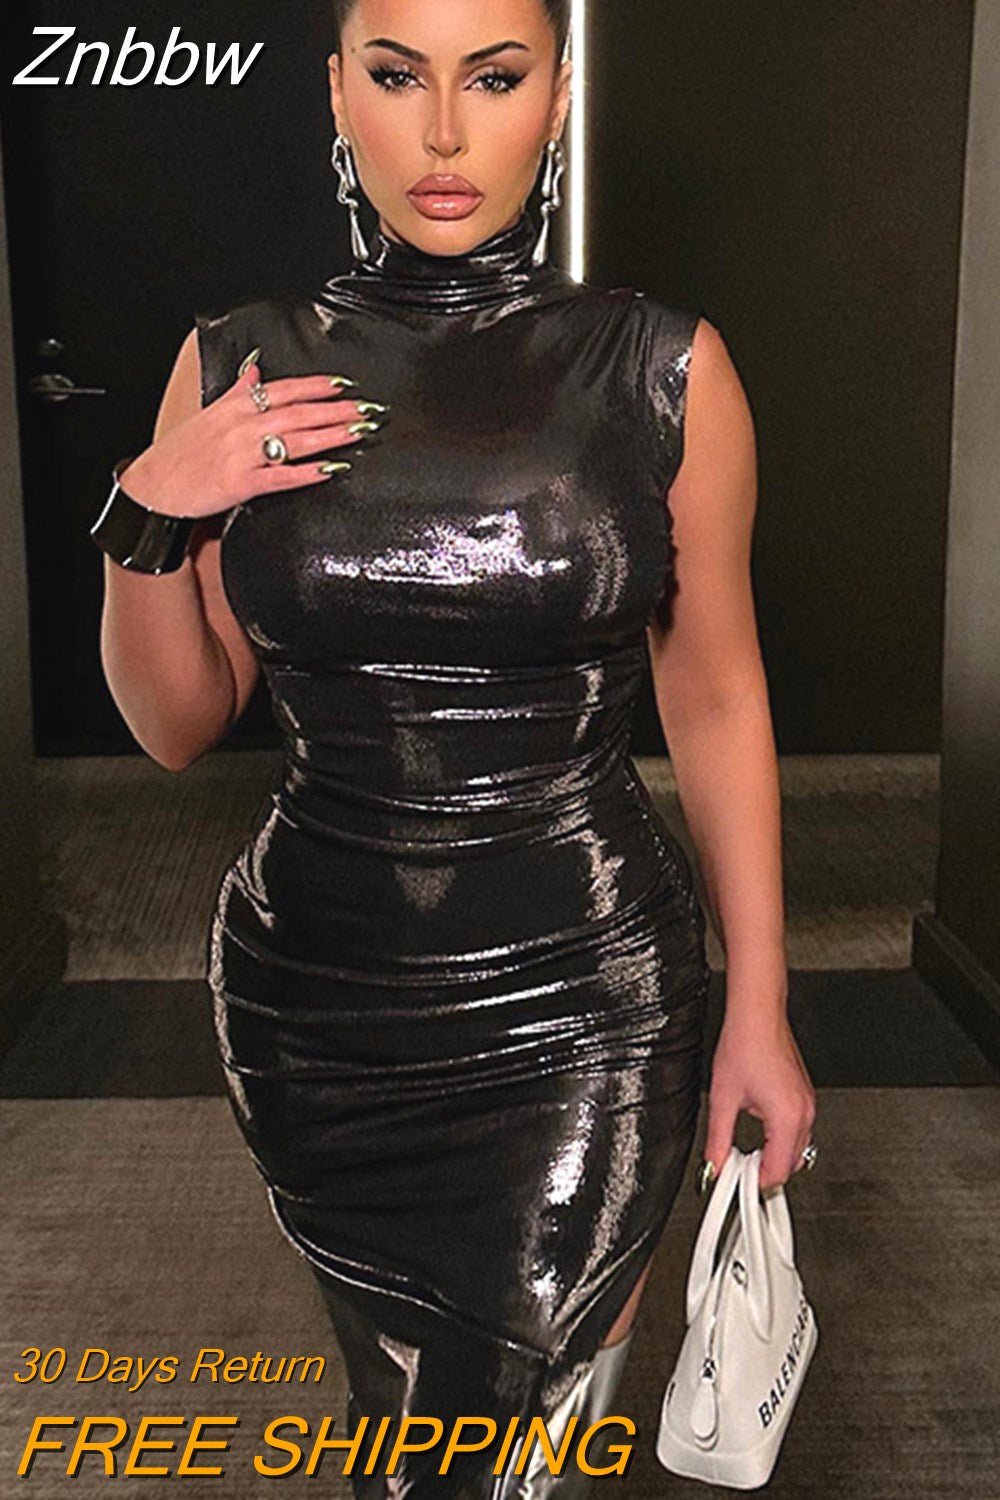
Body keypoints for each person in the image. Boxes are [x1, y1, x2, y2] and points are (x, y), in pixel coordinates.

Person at [93, 1, 817, 1494]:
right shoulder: (240, 363)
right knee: (406, 1430)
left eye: (493, 78)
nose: (441, 134)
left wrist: (763, 1003)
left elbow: (717, 698)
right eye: (395, 75)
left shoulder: (660, 366)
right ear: (336, 94)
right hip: (318, 1013)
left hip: (589, 1006)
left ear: (558, 96)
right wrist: (146, 504)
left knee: (498, 1455)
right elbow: (175, 725)